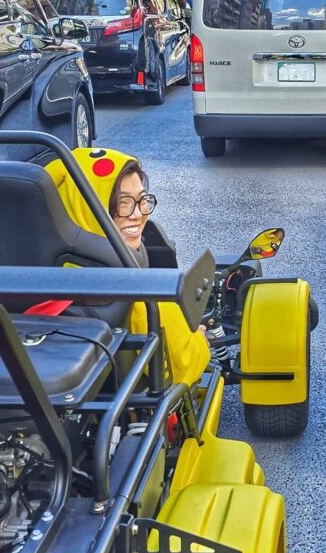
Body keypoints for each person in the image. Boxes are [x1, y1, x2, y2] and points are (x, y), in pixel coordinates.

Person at [45, 147, 210, 386]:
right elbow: (181, 367)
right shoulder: (140, 298)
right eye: (123, 203)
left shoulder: (22, 280)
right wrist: (200, 342)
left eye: (143, 200)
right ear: (88, 205)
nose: (138, 215)